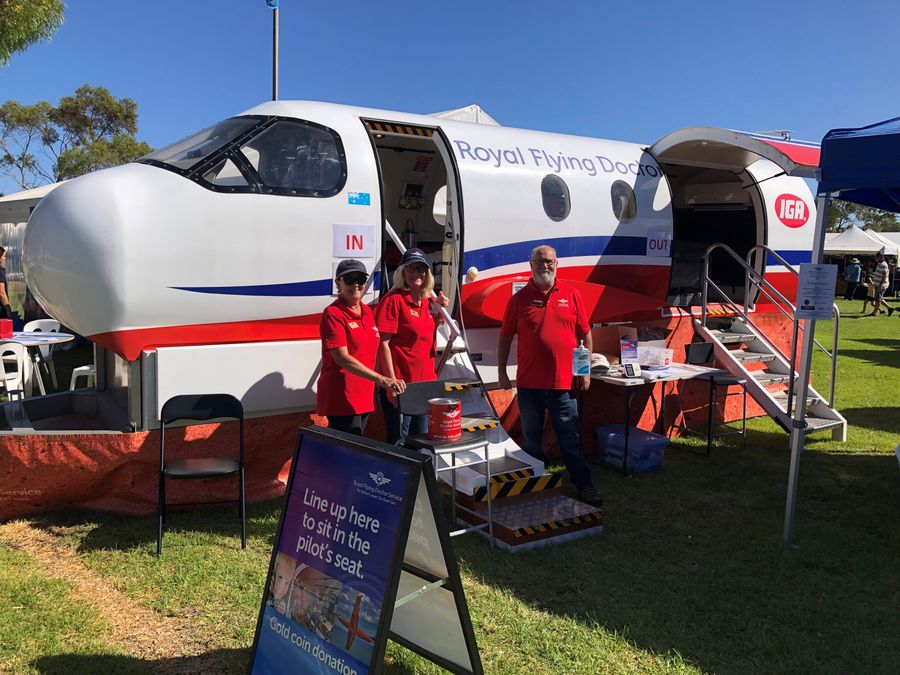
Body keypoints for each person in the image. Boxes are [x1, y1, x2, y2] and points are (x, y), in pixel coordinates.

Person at [497, 245, 602, 508]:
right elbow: (505, 337)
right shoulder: (518, 299)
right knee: (532, 439)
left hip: (564, 384)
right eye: (540, 261)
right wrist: (501, 372)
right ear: (530, 265)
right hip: (529, 384)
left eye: (550, 262)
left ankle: (584, 485)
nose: (546, 266)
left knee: (570, 438)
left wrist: (584, 371)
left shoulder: (572, 294)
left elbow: (585, 335)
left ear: (558, 264)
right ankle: (537, 485)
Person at [316, 259, 405, 435]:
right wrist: (382, 380)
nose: (356, 284)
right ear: (338, 283)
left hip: (364, 396)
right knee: (347, 454)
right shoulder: (333, 314)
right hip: (342, 398)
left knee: (354, 449)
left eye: (361, 279)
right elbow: (341, 358)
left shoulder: (367, 313)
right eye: (349, 279)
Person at [375, 248, 449, 444]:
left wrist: (440, 315)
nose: (417, 273)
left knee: (422, 440)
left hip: (424, 384)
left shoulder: (425, 302)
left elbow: (421, 335)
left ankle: (420, 476)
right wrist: (390, 382)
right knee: (400, 441)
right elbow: (383, 343)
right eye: (411, 269)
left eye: (421, 269)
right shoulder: (393, 300)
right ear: (402, 272)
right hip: (402, 385)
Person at [868, 252, 893, 316]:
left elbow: (884, 276)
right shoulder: (880, 264)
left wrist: (880, 285)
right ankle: (889, 308)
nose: (876, 258)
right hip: (878, 284)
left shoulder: (883, 264)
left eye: (877, 257)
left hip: (881, 285)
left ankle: (874, 312)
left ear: (880, 257)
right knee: (879, 298)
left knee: (878, 299)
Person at [0, 247, 11, 319]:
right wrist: (8, 309)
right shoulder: (0, 272)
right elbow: (1, 292)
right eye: (4, 256)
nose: (4, 258)